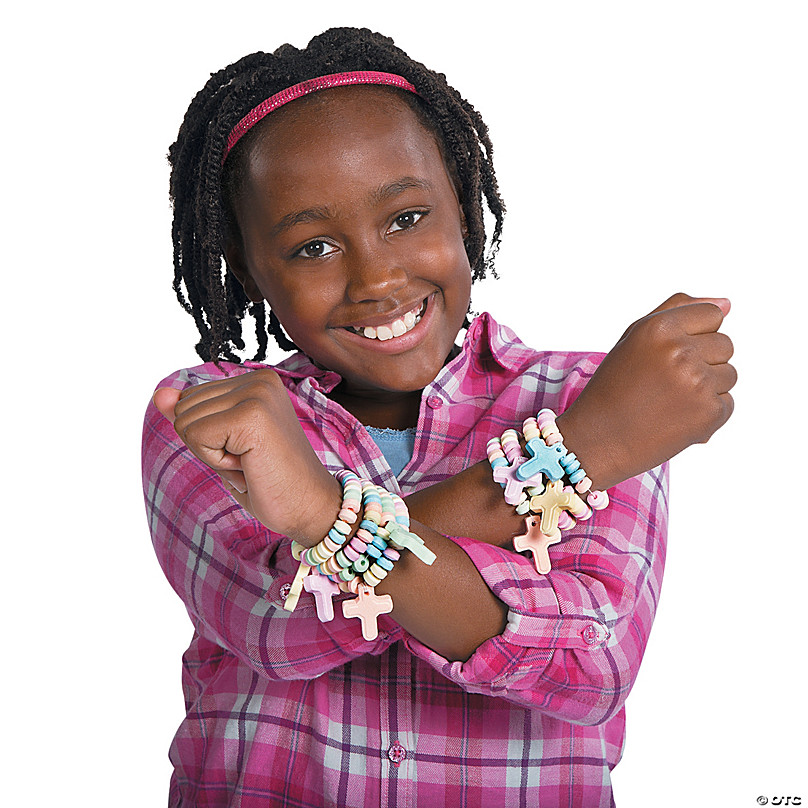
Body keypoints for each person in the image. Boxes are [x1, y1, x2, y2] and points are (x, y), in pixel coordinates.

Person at [143, 27, 736, 807]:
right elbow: (275, 627)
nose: (376, 277)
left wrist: (327, 522)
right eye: (314, 246)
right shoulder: (213, 415)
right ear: (249, 268)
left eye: (405, 218)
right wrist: (580, 458)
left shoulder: (590, 394)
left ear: (461, 198)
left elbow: (588, 665)